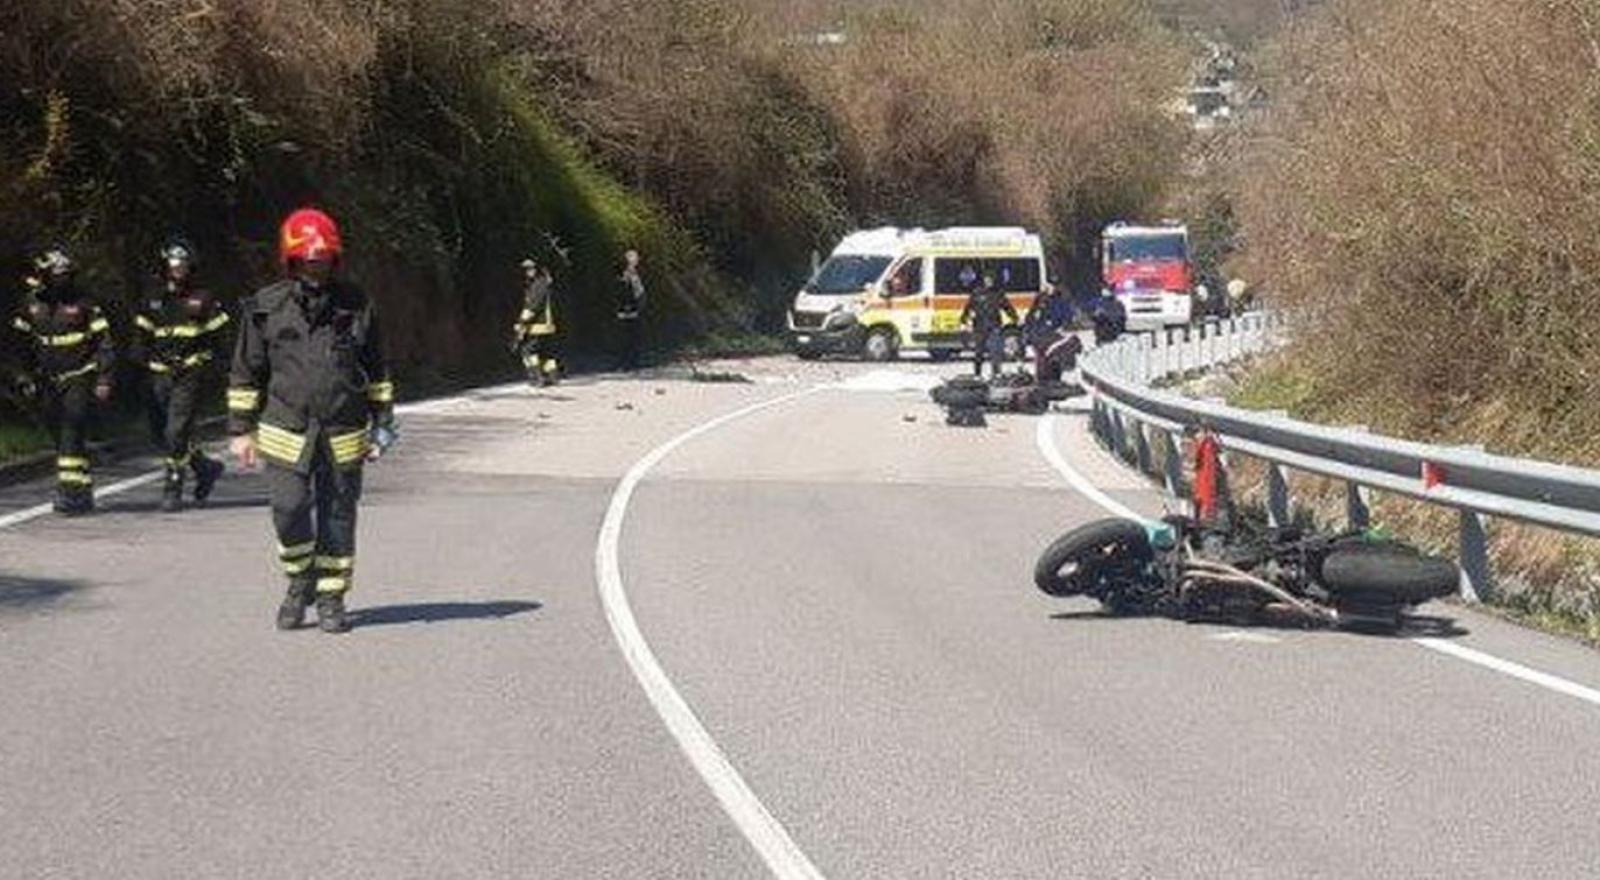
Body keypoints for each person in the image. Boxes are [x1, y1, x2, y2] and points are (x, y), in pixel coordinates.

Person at [228, 208, 396, 634]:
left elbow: (377, 369)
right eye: (308, 260)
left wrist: (383, 423)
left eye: (322, 260)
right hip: (285, 430)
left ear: (334, 260)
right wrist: (240, 430)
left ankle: (331, 597)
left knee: (339, 517)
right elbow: (246, 371)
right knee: (288, 511)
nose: (315, 267)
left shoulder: (357, 305)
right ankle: (299, 580)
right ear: (292, 260)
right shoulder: (266, 308)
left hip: (343, 431)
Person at [4, 246, 115, 515]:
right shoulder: (31, 305)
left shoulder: (85, 303)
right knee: (60, 435)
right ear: (44, 277)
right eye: (56, 275)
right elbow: (18, 345)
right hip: (46, 381)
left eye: (65, 274)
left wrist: (104, 377)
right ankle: (83, 490)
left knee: (71, 430)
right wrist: (22, 376)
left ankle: (68, 494)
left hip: (79, 376)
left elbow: (104, 343)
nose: (61, 279)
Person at [132, 237, 228, 512]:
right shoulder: (152, 299)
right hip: (158, 374)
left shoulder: (203, 298)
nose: (178, 269)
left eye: (183, 264)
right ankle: (204, 467)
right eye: (173, 264)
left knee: (177, 430)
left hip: (189, 372)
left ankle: (172, 487)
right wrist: (138, 366)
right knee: (161, 433)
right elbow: (140, 338)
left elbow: (220, 339)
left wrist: (217, 368)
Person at [958, 269, 1018, 379]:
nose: (988, 282)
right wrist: (963, 320)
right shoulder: (977, 293)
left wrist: (1014, 317)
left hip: (994, 325)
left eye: (990, 280)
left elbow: (1007, 306)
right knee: (978, 351)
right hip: (980, 325)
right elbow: (968, 307)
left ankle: (996, 373)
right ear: (984, 280)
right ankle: (977, 373)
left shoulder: (998, 293)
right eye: (987, 279)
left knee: (995, 350)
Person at [513, 257, 560, 386]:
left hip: (538, 325)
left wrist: (521, 322)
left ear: (538, 269)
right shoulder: (547, 284)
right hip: (548, 325)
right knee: (546, 352)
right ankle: (552, 376)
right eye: (526, 269)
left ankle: (536, 377)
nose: (528, 271)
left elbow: (533, 306)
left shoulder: (538, 285)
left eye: (531, 268)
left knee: (528, 351)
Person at [1024, 284, 1080, 384]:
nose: (1044, 300)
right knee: (1043, 356)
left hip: (1046, 335)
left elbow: (1064, 319)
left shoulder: (1054, 304)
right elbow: (1030, 320)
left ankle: (1046, 377)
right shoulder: (1043, 306)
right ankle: (1044, 378)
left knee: (1046, 356)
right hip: (1042, 336)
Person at [615, 249, 646, 371]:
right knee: (626, 337)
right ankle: (627, 362)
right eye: (632, 259)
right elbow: (625, 292)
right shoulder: (626, 275)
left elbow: (640, 293)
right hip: (627, 309)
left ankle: (632, 362)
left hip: (633, 309)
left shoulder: (636, 274)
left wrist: (641, 305)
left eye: (635, 258)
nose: (635, 261)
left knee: (633, 336)